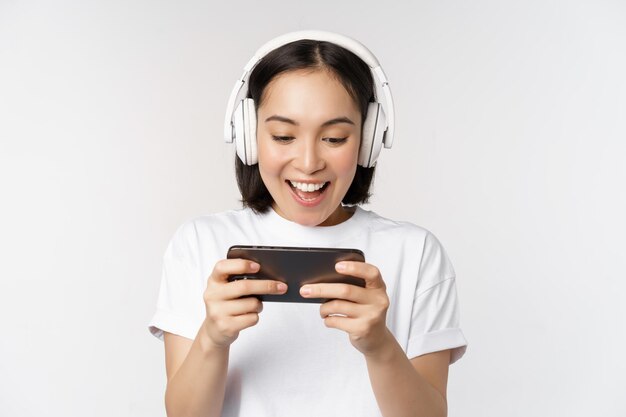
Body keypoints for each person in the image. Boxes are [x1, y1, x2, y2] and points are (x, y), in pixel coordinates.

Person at [148, 30, 468, 417]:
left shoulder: (416, 253)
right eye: (283, 135)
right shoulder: (198, 243)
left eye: (334, 138)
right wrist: (212, 340)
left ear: (367, 141)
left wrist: (380, 345)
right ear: (249, 137)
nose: (308, 162)